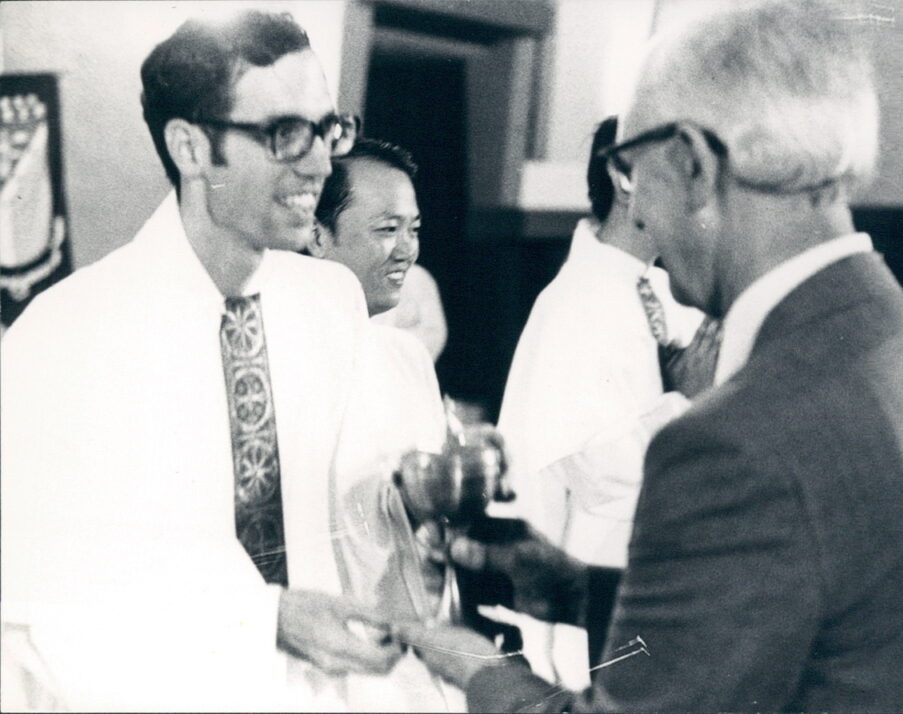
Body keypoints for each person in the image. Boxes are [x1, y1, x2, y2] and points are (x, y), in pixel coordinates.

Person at [394, 1, 903, 711]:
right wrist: (574, 588)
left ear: (693, 163)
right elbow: (833, 618)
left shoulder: (736, 441)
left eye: (633, 170)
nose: (640, 215)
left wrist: (476, 665)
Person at [0, 11, 401, 711]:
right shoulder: (64, 338)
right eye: (284, 134)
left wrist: (406, 498)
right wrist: (265, 618)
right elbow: (52, 598)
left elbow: (343, 512)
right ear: (189, 147)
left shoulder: (331, 302)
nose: (320, 163)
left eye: (328, 128)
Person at [496, 115, 706, 686]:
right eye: (681, 173)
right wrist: (692, 398)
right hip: (594, 577)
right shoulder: (575, 301)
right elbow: (596, 468)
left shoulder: (656, 286)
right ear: (624, 174)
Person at [309, 139, 462, 711]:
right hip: (323, 652)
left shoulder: (407, 357)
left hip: (408, 647)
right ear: (318, 235)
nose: (406, 251)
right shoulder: (285, 359)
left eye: (414, 230)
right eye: (386, 229)